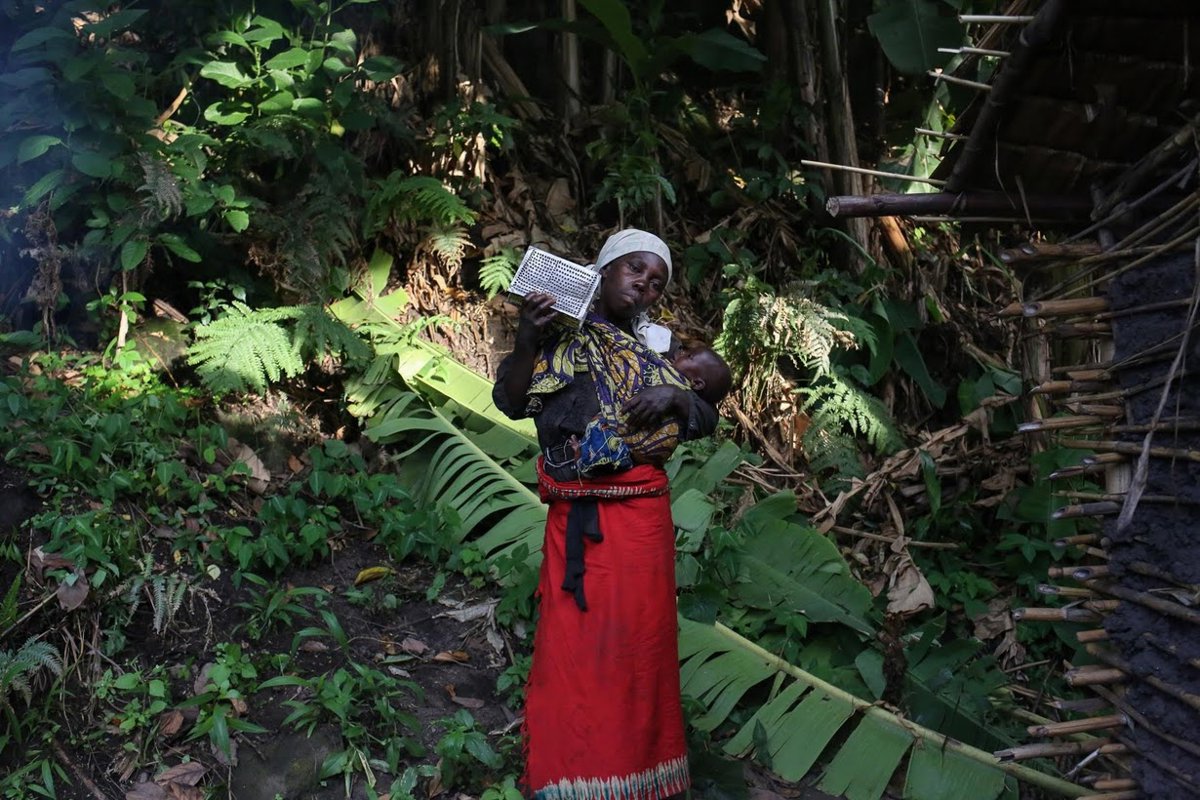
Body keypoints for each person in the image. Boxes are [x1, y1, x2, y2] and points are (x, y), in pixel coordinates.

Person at [493, 229, 718, 800]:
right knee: (576, 648)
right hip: (577, 517)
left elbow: (706, 411)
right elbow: (512, 401)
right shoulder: (559, 332)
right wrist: (525, 339)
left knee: (638, 648)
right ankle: (571, 777)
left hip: (640, 519)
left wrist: (678, 398)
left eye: (658, 280)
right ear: (604, 270)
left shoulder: (661, 350)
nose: (646, 284)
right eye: (635, 270)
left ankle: (639, 779)